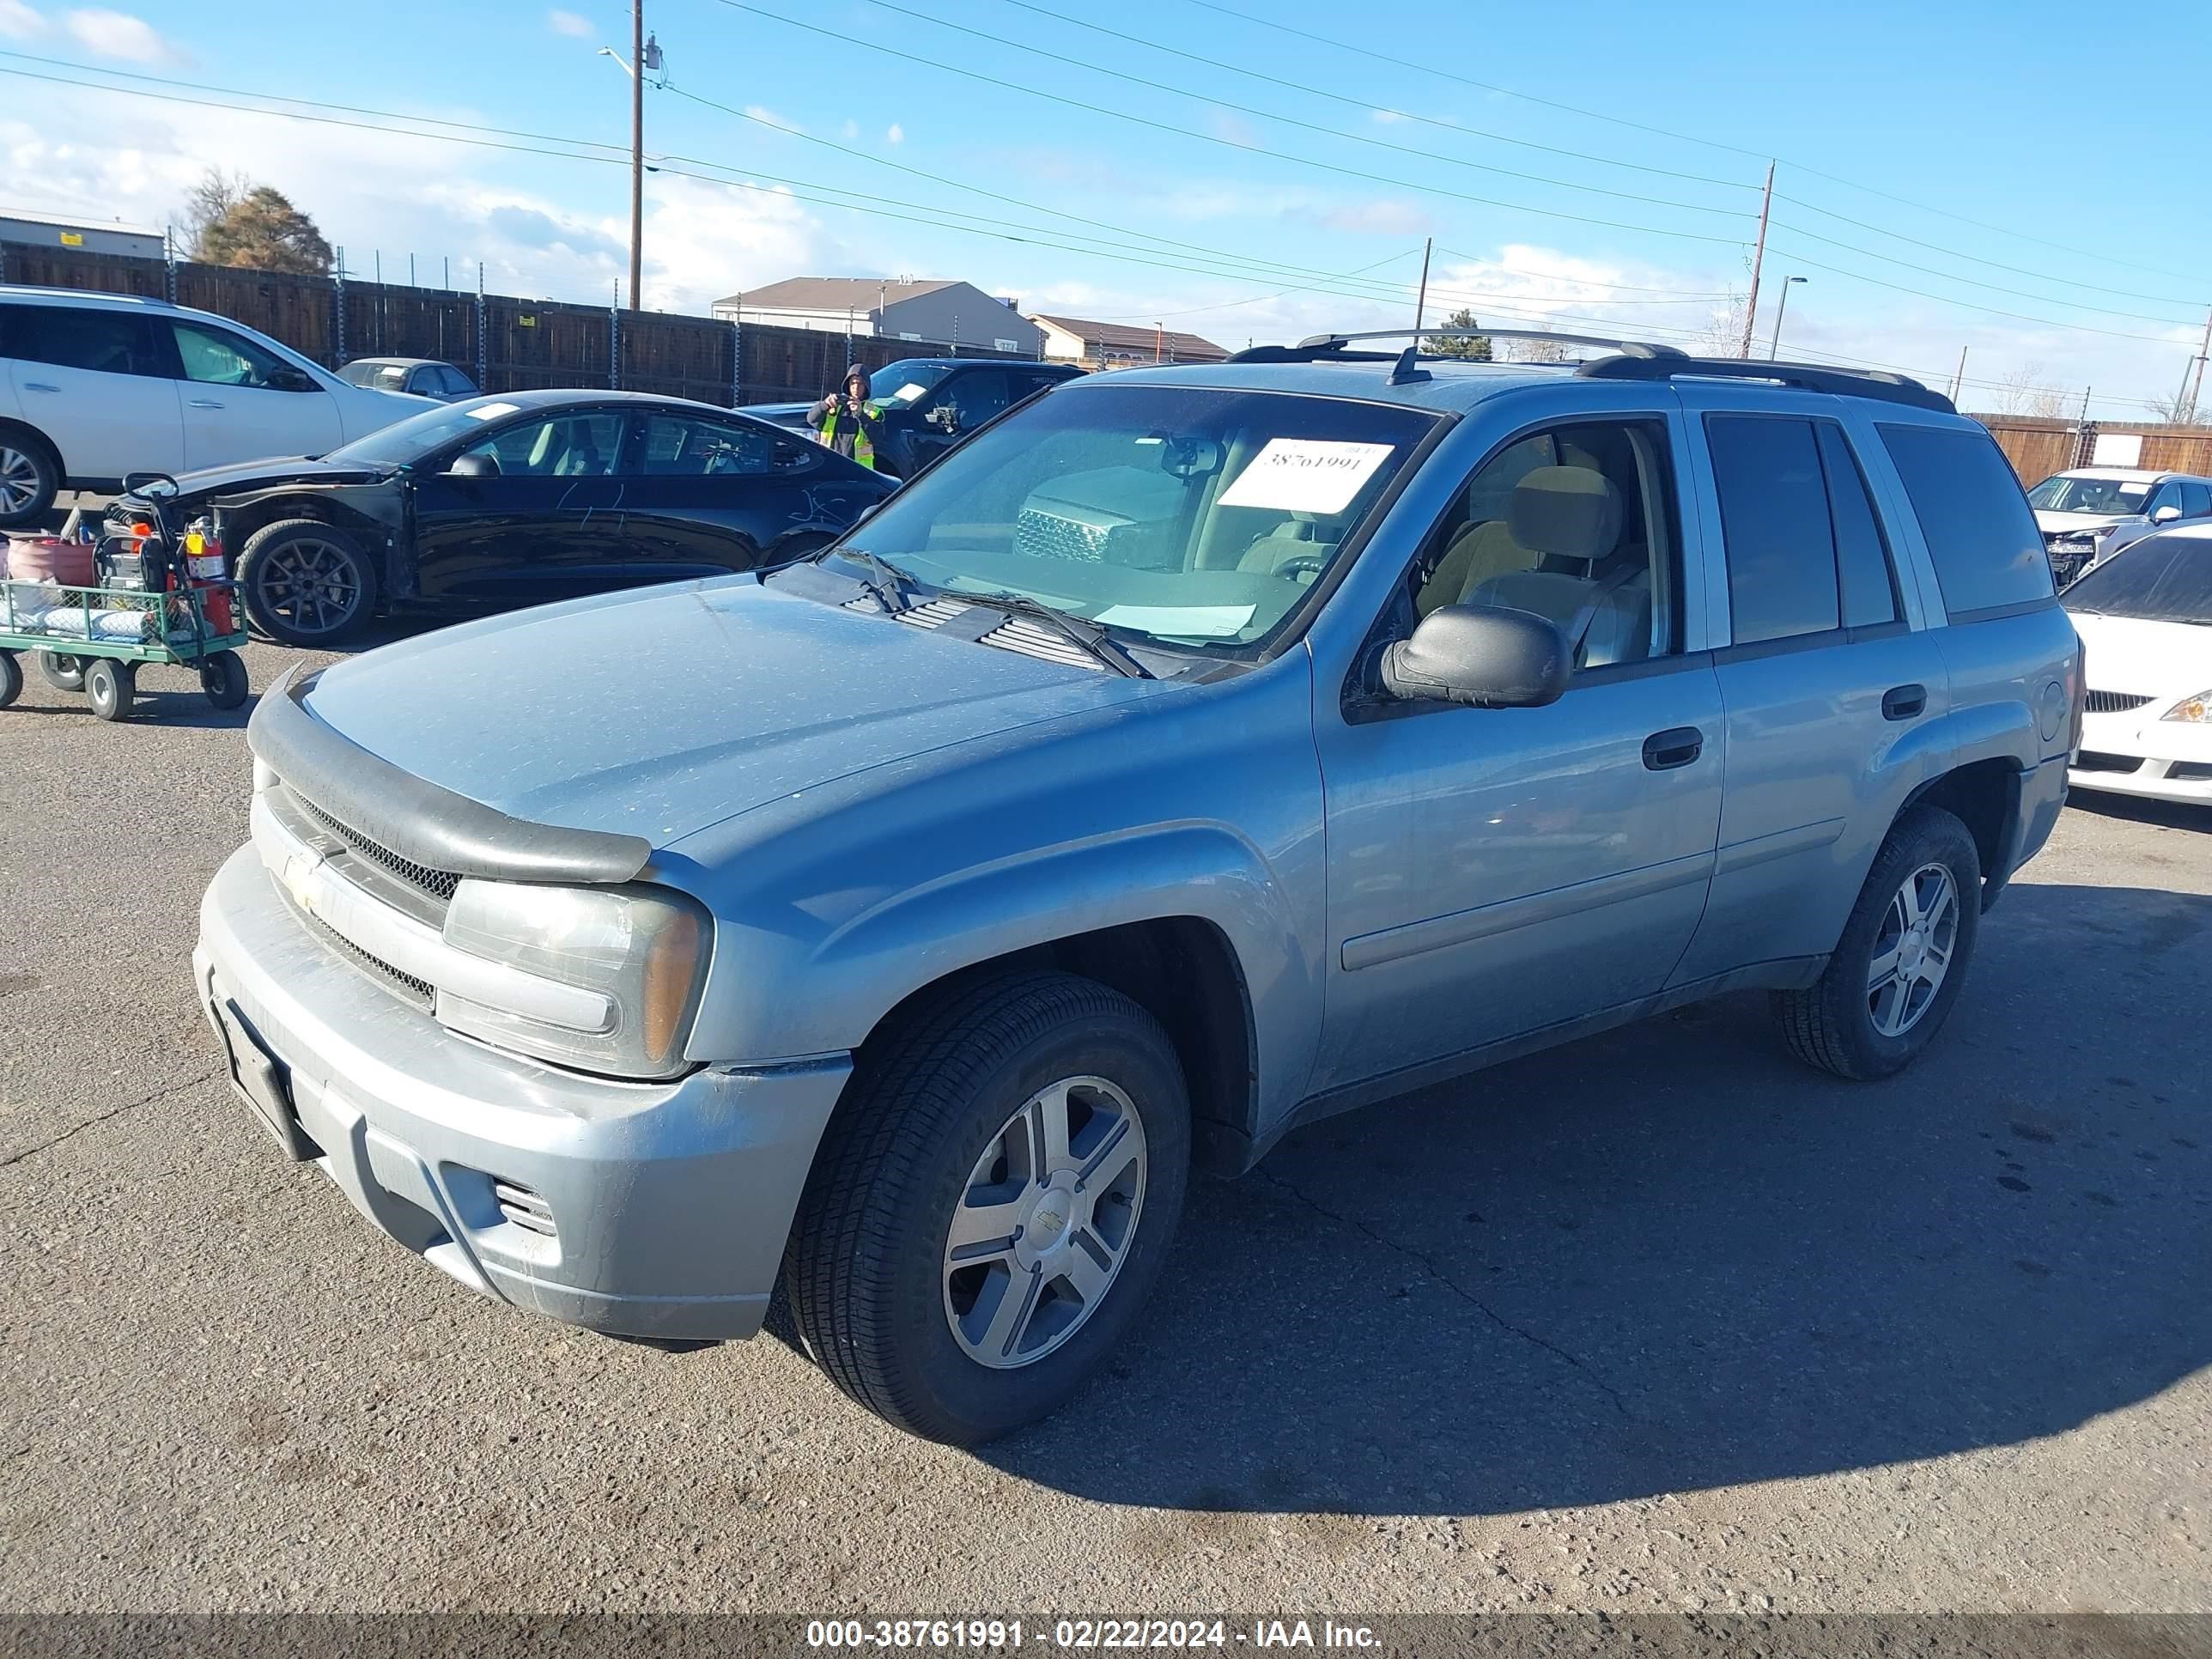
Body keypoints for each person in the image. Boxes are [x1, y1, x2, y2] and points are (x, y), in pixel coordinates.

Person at [810, 366, 885, 470]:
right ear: (848, 384)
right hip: (829, 465)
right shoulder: (835, 405)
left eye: (860, 383)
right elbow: (811, 419)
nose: (856, 387)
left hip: (859, 470)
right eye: (853, 383)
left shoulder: (873, 411)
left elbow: (877, 437)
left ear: (866, 386)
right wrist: (825, 405)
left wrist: (860, 414)